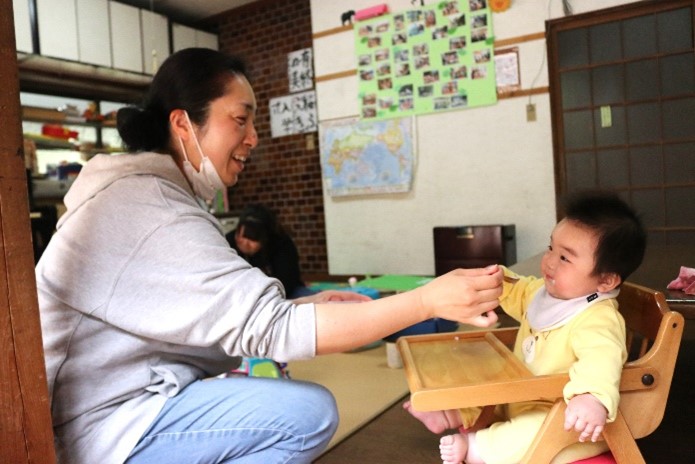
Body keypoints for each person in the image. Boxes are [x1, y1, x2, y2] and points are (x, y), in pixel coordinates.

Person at [35, 47, 504, 464]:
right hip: (98, 429)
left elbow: (221, 320)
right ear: (183, 124)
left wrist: (298, 307)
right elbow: (269, 331)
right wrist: (424, 300)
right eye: (240, 119)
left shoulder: (151, 198)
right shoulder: (149, 207)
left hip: (120, 404)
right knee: (305, 413)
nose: (254, 137)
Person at [404, 191, 646, 464]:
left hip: (559, 410)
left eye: (566, 258)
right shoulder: (548, 293)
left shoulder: (598, 318)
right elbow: (521, 291)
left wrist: (591, 398)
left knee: (533, 430)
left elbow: (602, 359)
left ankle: (476, 448)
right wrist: (499, 282)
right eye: (551, 247)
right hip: (520, 392)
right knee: (484, 382)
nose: (551, 261)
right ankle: (449, 415)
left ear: (606, 280)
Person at [227, 204, 309, 298]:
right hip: (241, 295)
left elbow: (287, 283)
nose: (244, 243)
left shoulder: (281, 244)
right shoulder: (228, 242)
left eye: (252, 239)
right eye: (240, 236)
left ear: (265, 238)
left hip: (281, 293)